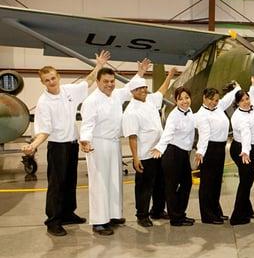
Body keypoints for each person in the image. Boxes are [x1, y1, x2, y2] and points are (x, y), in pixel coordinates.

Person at [22, 50, 110, 236]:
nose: (51, 82)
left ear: (58, 77)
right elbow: (44, 131)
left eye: (53, 77)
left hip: (71, 144)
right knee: (57, 184)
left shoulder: (70, 90)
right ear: (43, 83)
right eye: (47, 80)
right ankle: (53, 221)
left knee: (71, 180)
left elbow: (88, 81)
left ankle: (68, 213)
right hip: (57, 147)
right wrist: (33, 145)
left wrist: (99, 65)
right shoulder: (44, 103)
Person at [80, 59, 150, 236]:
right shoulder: (91, 101)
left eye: (112, 82)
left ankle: (113, 215)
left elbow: (130, 88)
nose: (110, 85)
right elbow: (87, 124)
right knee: (100, 183)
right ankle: (99, 221)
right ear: (98, 82)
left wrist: (140, 72)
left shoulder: (116, 95)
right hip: (98, 144)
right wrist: (85, 141)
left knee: (114, 180)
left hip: (113, 143)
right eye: (106, 82)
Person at [122, 67, 177, 227]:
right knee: (144, 187)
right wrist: (135, 157)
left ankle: (158, 210)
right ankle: (142, 215)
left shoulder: (150, 100)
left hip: (159, 151)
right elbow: (132, 136)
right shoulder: (131, 111)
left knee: (161, 184)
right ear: (132, 91)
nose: (143, 91)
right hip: (145, 155)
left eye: (144, 88)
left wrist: (170, 76)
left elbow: (161, 91)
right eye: (139, 88)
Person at [195, 82, 241, 224]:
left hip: (220, 148)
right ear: (204, 98)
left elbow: (228, 97)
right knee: (207, 184)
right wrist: (200, 152)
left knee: (216, 183)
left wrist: (237, 88)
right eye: (211, 99)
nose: (213, 102)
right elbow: (204, 135)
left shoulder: (218, 107)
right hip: (209, 149)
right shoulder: (201, 115)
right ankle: (207, 215)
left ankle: (216, 211)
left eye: (215, 100)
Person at [150, 87, 196, 227]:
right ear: (176, 101)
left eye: (186, 98)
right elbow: (168, 133)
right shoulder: (174, 116)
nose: (184, 101)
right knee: (171, 186)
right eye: (180, 99)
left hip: (183, 153)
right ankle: (176, 218)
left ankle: (180, 214)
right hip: (172, 152)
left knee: (187, 183)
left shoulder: (190, 112)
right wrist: (160, 147)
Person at [229, 77, 254, 225]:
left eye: (247, 99)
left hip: (251, 149)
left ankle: (247, 210)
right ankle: (237, 216)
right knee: (245, 182)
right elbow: (246, 135)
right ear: (237, 103)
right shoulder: (240, 117)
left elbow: (252, 96)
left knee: (247, 181)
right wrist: (246, 152)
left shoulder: (250, 108)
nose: (247, 101)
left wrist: (253, 85)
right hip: (243, 150)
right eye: (242, 100)